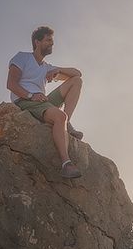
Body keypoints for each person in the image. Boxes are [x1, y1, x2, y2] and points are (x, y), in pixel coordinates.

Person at [7, 25, 84, 181]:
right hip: (25, 101)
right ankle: (66, 164)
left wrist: (56, 71)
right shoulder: (22, 57)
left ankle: (66, 123)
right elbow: (11, 84)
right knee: (59, 116)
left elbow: (77, 73)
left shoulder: (47, 67)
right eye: (48, 40)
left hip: (42, 101)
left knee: (76, 81)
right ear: (37, 42)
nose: (52, 43)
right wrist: (30, 95)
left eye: (52, 41)